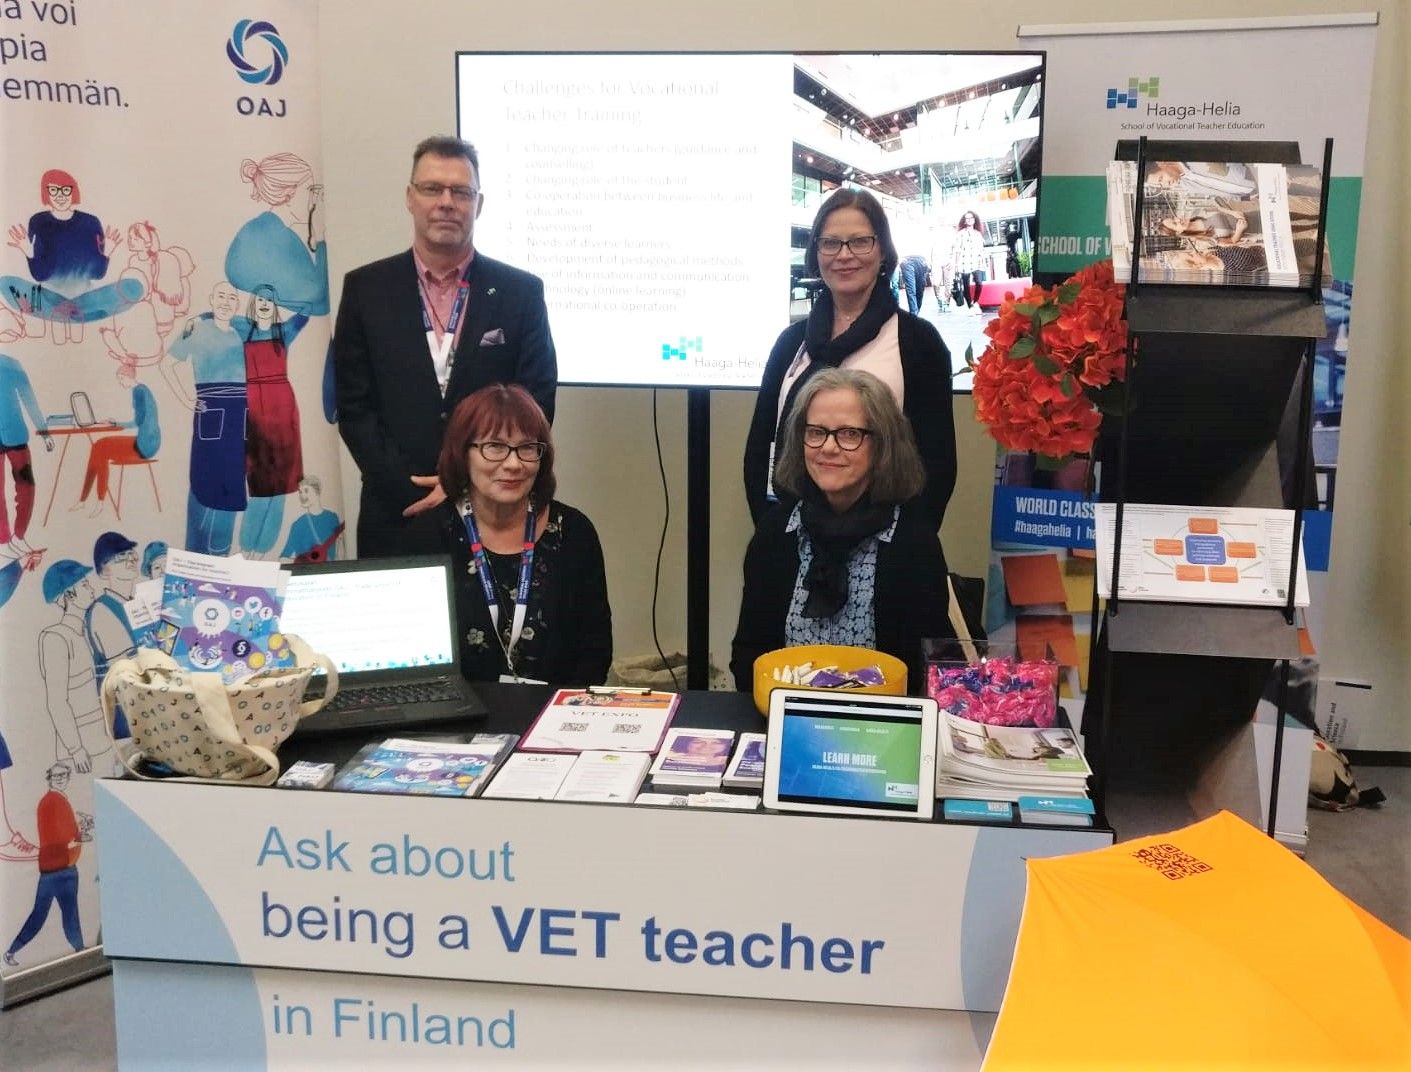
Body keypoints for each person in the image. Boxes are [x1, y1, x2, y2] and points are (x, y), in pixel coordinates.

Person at [336, 135, 558, 558]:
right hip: (396, 510)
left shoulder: (521, 293)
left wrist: (466, 484)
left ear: (479, 204)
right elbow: (353, 407)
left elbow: (536, 399)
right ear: (410, 197)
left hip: (493, 510)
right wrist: (406, 488)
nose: (446, 202)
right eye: (432, 188)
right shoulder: (366, 289)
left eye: (461, 192)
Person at [744, 188, 955, 530]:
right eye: (830, 243)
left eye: (859, 242)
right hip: (793, 535)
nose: (844, 255)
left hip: (885, 540)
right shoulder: (790, 343)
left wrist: (907, 544)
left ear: (883, 251)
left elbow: (938, 463)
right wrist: (771, 533)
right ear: (816, 252)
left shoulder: (918, 342)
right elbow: (760, 448)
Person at [732, 368, 953, 692]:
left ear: (883, 444)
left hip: (882, 720)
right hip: (784, 717)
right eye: (816, 432)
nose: (828, 447)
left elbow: (928, 673)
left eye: (849, 434)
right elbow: (747, 656)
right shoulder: (776, 534)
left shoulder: (913, 543)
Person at [437, 383, 609, 685]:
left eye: (527, 447)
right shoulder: (429, 536)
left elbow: (595, 652)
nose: (514, 463)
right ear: (463, 453)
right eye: (495, 446)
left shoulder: (573, 532)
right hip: (458, 710)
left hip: (556, 709)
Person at [169, 281, 247, 555]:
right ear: (212, 299)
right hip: (211, 410)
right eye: (221, 297)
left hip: (240, 414)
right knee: (205, 479)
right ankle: (196, 552)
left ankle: (221, 552)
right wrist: (186, 399)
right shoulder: (197, 330)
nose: (226, 302)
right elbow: (167, 365)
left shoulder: (240, 333)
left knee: (233, 483)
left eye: (232, 298)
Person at [3, 762, 86, 967]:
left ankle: (81, 952)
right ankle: (11, 951)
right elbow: (50, 839)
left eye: (63, 775)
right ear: (49, 779)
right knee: (41, 915)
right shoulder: (49, 802)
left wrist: (79, 835)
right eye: (56, 776)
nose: (60, 779)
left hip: (66, 868)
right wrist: (73, 842)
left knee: (70, 915)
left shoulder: (61, 800)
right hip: (54, 870)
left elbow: (67, 834)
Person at [37, 560, 113, 772]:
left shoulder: (85, 631)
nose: (91, 589)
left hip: (102, 743)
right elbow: (56, 701)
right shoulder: (55, 638)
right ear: (69, 595)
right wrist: (75, 749)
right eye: (84, 585)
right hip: (80, 755)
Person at [71, 382, 160, 516]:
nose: (120, 382)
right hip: (149, 443)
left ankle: (94, 501)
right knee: (98, 447)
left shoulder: (138, 391)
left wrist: (116, 424)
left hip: (143, 446)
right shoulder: (144, 390)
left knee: (99, 448)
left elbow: (137, 421)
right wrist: (115, 424)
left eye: (121, 378)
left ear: (127, 376)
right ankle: (86, 500)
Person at [951, 210, 987, 315]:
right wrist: (956, 265)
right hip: (964, 261)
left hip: (977, 262)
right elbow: (957, 250)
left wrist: (983, 261)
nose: (969, 220)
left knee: (979, 283)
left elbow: (981, 250)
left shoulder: (978, 234)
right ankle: (970, 307)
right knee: (966, 285)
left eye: (971, 218)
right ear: (965, 221)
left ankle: (975, 302)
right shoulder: (960, 234)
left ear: (974, 220)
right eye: (967, 218)